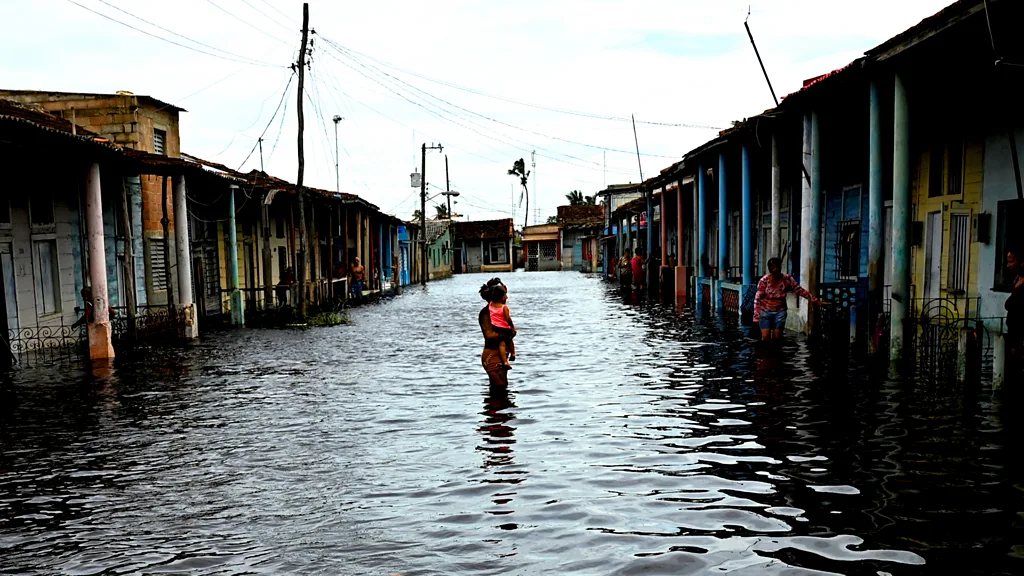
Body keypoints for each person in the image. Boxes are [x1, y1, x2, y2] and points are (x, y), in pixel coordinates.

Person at [753, 257, 827, 341]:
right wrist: (756, 317)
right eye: (773, 268)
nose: (776, 270)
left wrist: (815, 300)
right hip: (765, 311)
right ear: (770, 269)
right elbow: (757, 299)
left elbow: (799, 290)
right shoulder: (764, 281)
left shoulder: (787, 279)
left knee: (777, 338)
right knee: (765, 337)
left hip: (780, 311)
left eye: (778, 267)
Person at [479, 278, 516, 387]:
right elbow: (489, 335)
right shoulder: (485, 313)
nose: (507, 297)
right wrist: (508, 334)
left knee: (503, 387)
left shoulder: (501, 311)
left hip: (501, 355)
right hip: (491, 355)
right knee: (499, 389)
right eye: (504, 294)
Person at [487, 283, 517, 369]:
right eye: (505, 295)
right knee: (510, 340)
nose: (507, 297)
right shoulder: (504, 308)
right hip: (505, 329)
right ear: (502, 297)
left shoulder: (491, 305)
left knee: (501, 345)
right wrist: (512, 327)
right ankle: (513, 353)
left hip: (495, 328)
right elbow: (508, 319)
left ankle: (504, 362)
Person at [1005, 247, 1024, 376]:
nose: (1008, 266)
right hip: (1013, 332)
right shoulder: (1016, 279)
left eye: (1011, 262)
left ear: (1022, 262)